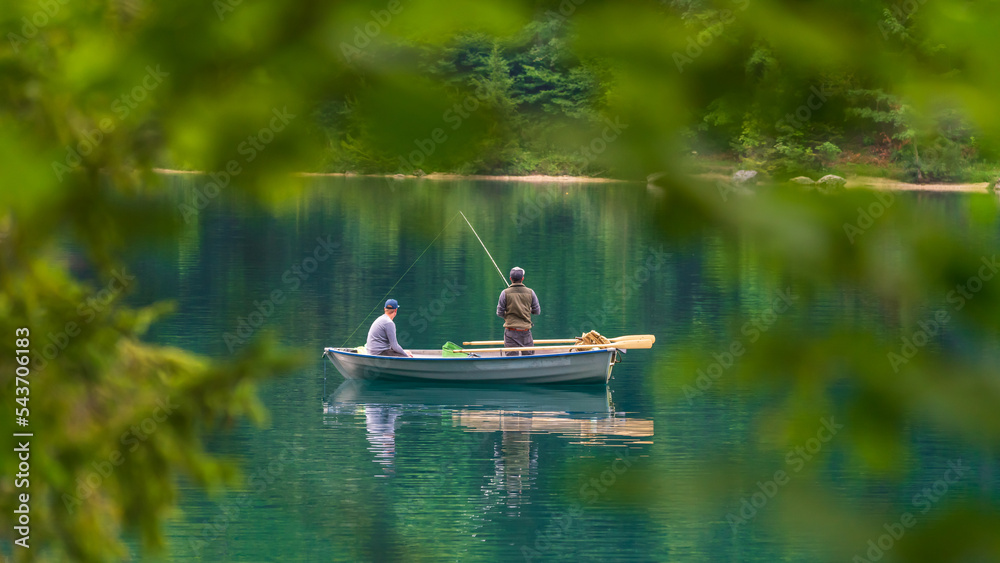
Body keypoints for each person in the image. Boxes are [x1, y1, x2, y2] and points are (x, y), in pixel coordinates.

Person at [496, 267, 541, 356]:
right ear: (522, 279)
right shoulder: (531, 292)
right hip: (525, 332)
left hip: (510, 332)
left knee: (511, 359)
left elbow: (499, 312)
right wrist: (527, 310)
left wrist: (507, 315)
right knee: (528, 358)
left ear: (510, 279)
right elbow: (537, 311)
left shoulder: (504, 293)